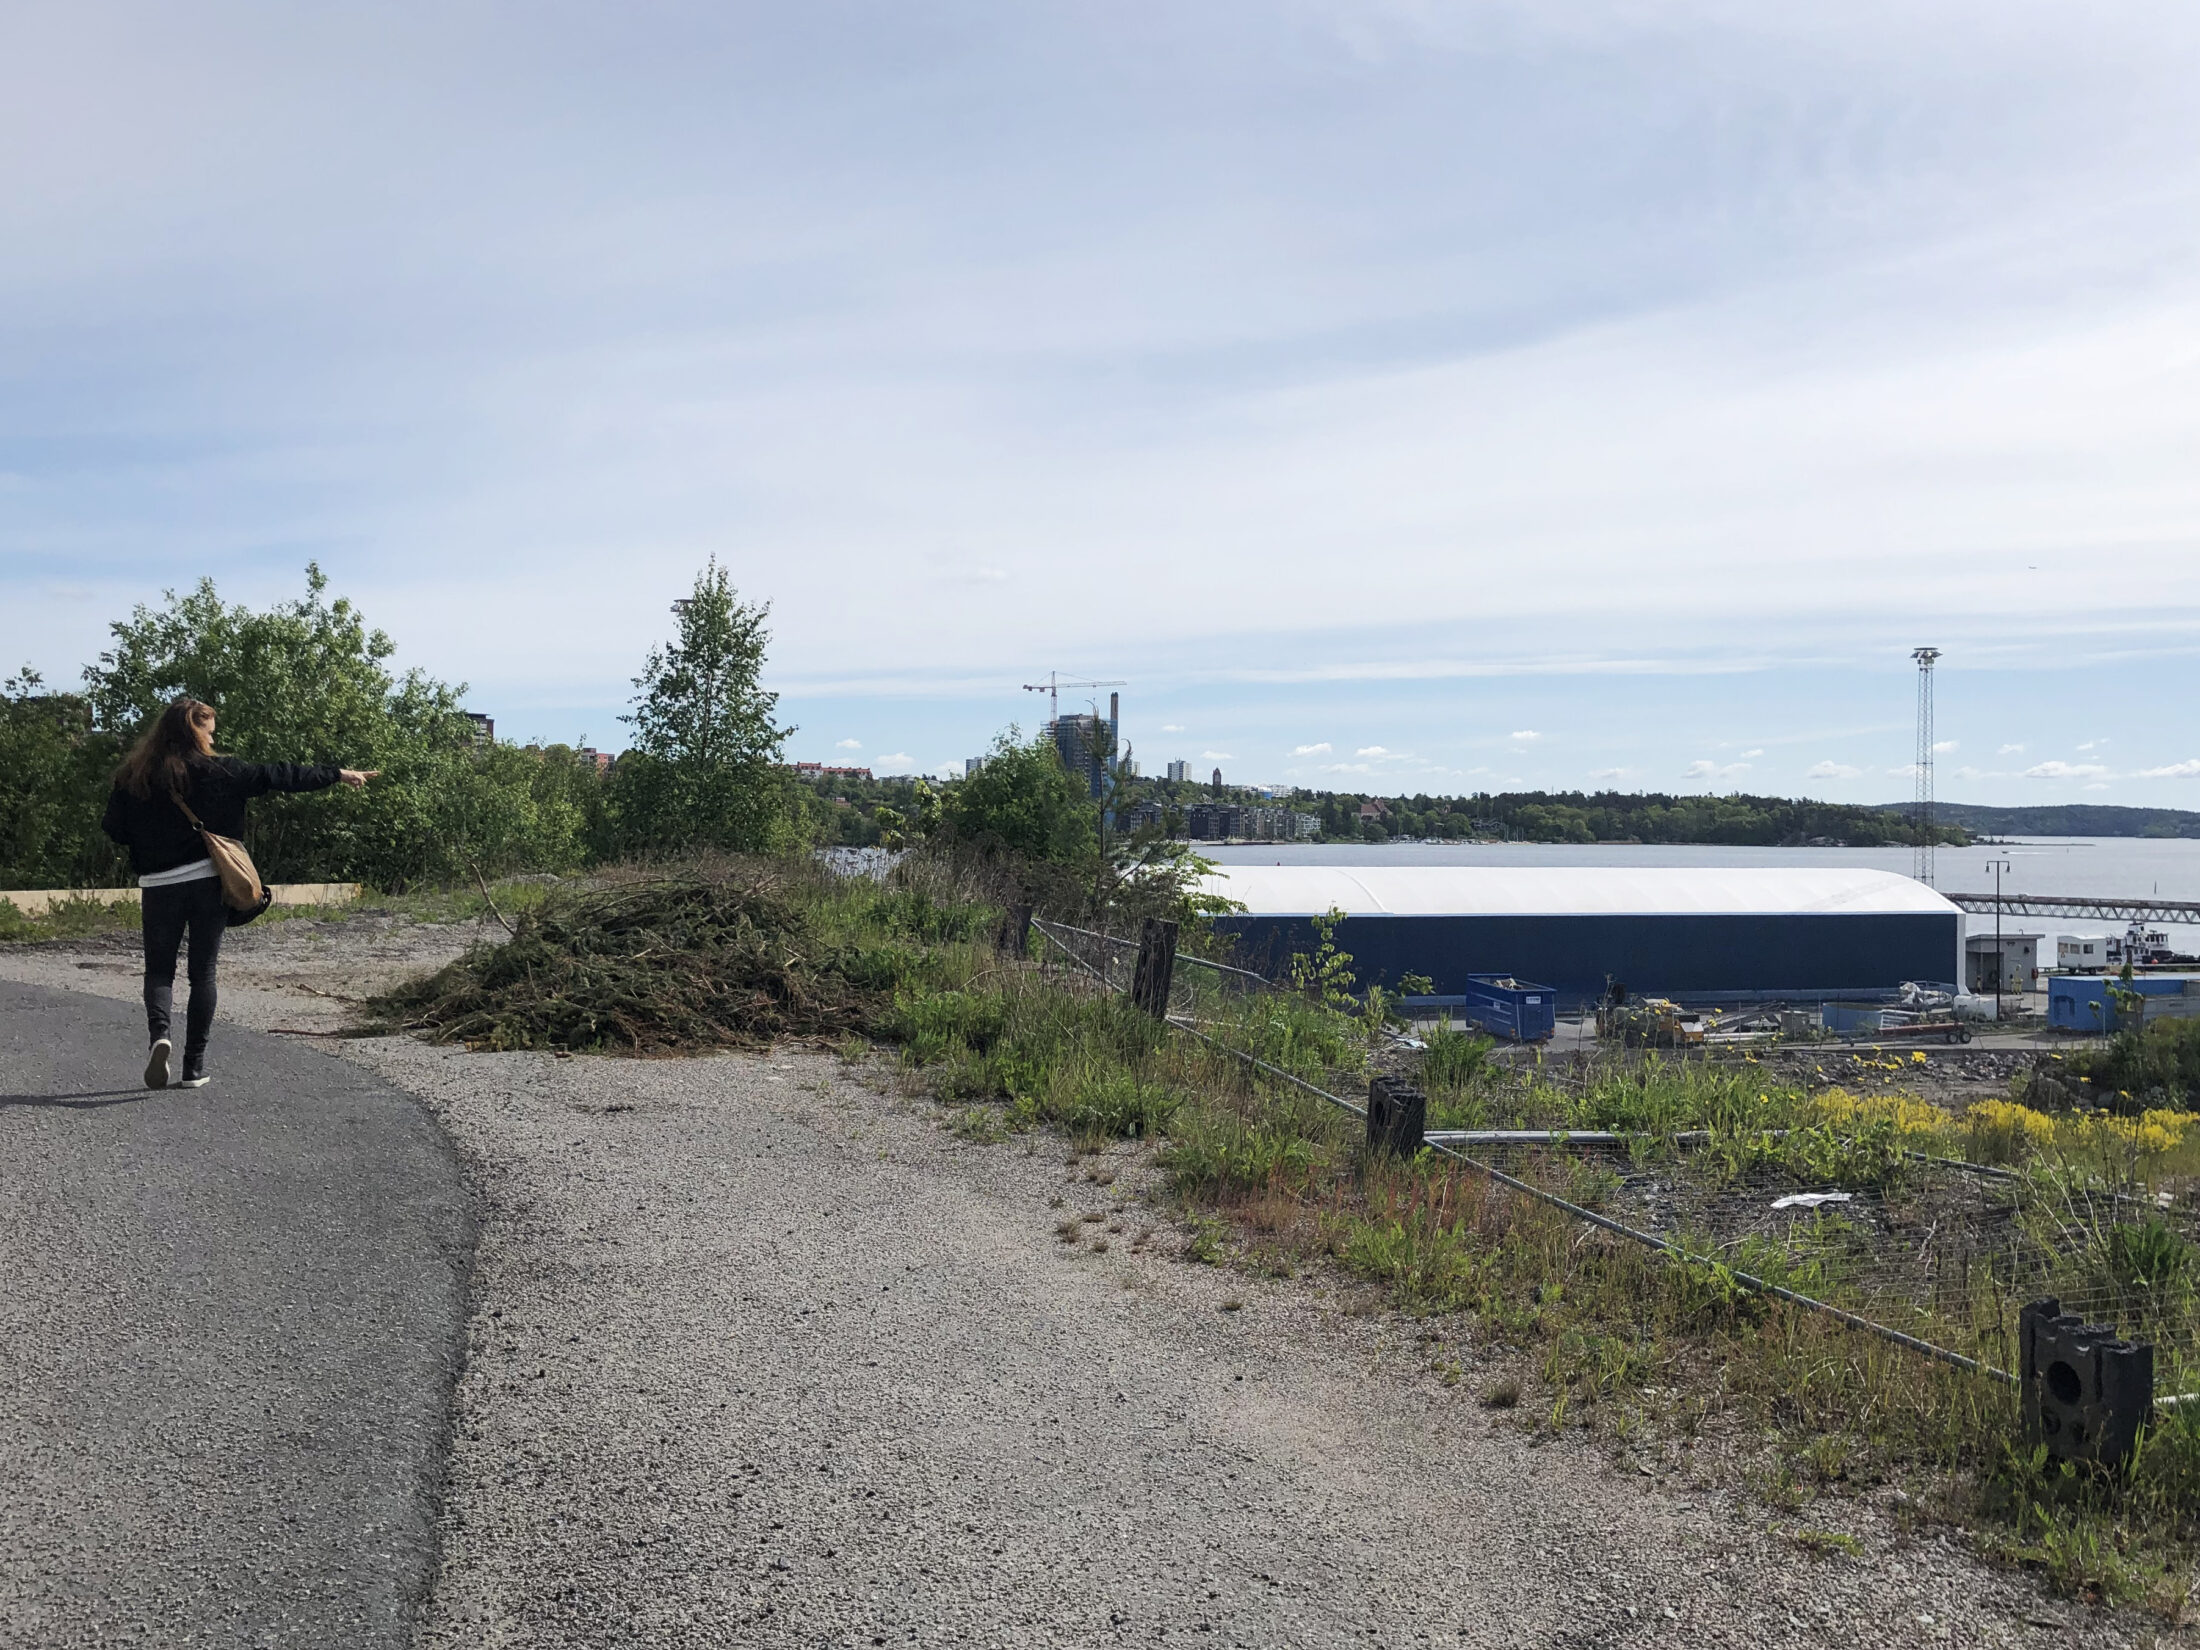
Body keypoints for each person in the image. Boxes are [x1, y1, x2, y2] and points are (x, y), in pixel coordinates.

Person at [100, 697, 377, 1090]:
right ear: (198, 731)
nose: (213, 737)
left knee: (160, 971)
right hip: (207, 882)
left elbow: (114, 828)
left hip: (158, 887)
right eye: (210, 730)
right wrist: (337, 774)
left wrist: (151, 845)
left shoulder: (133, 776)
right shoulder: (221, 772)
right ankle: (192, 1068)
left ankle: (159, 1035)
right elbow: (280, 775)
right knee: (202, 973)